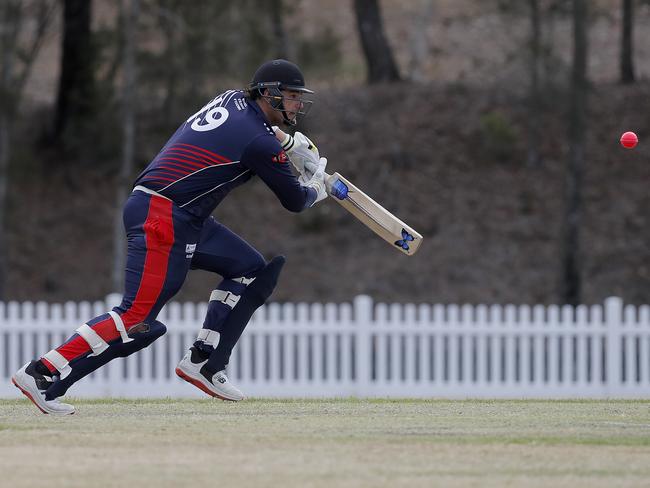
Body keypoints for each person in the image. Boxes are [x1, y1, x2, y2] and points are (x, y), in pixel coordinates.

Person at [12, 59, 328, 415]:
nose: (297, 104)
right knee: (135, 317)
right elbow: (295, 200)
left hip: (182, 214)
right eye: (291, 96)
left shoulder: (230, 99)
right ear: (268, 94)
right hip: (163, 216)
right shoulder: (259, 141)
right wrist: (318, 184)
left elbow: (254, 135)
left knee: (248, 267)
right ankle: (40, 371)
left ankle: (202, 359)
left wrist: (289, 144)